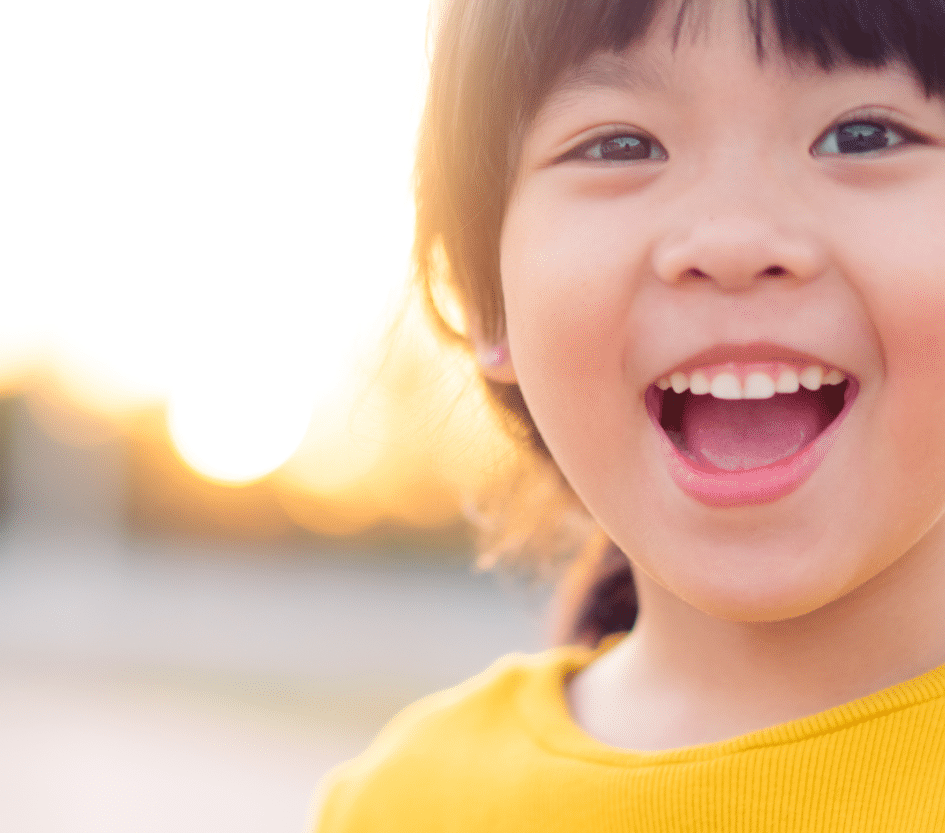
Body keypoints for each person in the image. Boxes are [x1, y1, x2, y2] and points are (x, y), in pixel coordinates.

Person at [310, 0, 945, 829]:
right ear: (484, 298)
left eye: (864, 135)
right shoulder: (401, 804)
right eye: (619, 145)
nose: (731, 241)